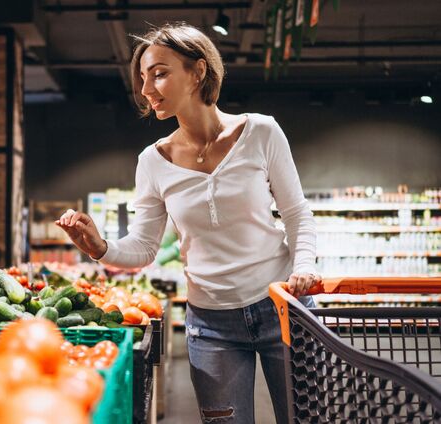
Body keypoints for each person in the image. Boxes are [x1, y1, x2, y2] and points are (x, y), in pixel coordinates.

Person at [56, 22, 320, 423]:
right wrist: (100, 247)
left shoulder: (261, 132)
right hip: (211, 325)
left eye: (159, 73)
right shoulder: (153, 161)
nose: (146, 89)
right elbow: (144, 246)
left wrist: (303, 267)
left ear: (198, 71)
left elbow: (297, 212)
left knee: (307, 418)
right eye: (143, 78)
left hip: (282, 306)